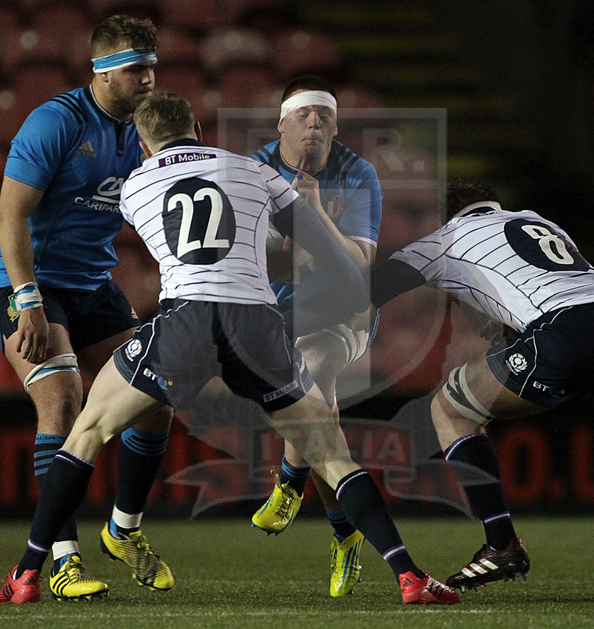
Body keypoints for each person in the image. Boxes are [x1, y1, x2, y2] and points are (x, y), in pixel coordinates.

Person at [0, 91, 459, 606]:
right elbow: (328, 259)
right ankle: (410, 576)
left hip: (187, 321)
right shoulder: (256, 172)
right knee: (332, 457)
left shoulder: (135, 185)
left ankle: (28, 573)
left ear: (144, 145)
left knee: (85, 433)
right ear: (197, 125)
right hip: (256, 325)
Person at [368, 181, 594, 591]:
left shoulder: (443, 239)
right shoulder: (536, 221)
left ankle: (500, 545)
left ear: (445, 218)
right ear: (493, 206)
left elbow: (372, 289)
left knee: (450, 408)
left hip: (566, 328)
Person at [0, 15, 174, 601]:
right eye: (135, 70)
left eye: (152, 68)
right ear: (103, 72)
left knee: (156, 396)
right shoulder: (55, 122)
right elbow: (10, 215)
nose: (148, 79)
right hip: (28, 283)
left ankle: (124, 530)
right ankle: (63, 558)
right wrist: (28, 299)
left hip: (93, 285)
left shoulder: (143, 129)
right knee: (62, 399)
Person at [249, 75, 382, 598]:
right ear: (282, 122)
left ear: (335, 126)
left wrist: (317, 216)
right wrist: (302, 247)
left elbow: (362, 264)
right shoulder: (255, 170)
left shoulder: (358, 173)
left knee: (317, 368)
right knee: (319, 409)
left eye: (324, 115)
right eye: (303, 114)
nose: (314, 122)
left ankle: (288, 482)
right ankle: (344, 533)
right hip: (275, 311)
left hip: (344, 308)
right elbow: (252, 255)